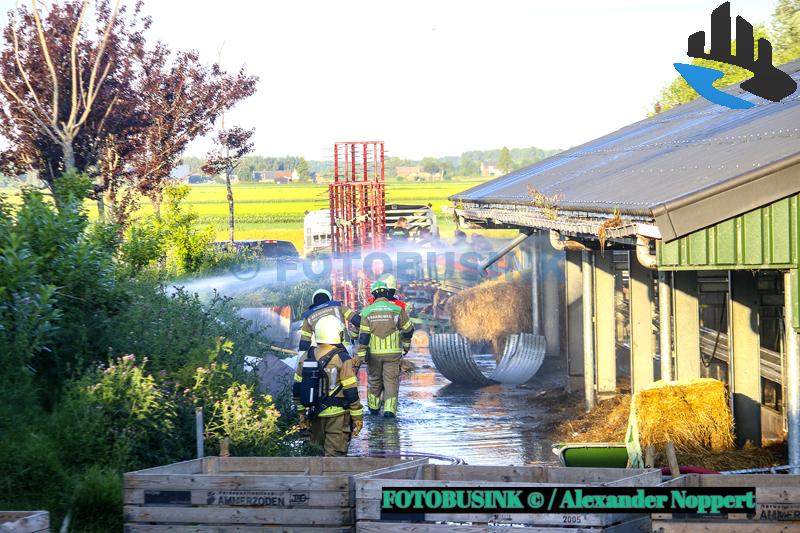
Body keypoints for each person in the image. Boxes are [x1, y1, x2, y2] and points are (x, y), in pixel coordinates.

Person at [292, 315, 363, 456]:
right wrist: (357, 417)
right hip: (338, 417)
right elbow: (351, 391)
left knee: (316, 456)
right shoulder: (342, 359)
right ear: (338, 334)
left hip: (313, 415)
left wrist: (301, 414)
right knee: (334, 459)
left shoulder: (306, 356)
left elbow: (297, 389)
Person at [355, 280, 414, 418]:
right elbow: (408, 330)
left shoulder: (367, 311)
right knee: (391, 381)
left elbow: (364, 336)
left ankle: (374, 408)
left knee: (374, 380)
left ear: (373, 295)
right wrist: (406, 346)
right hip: (393, 353)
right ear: (387, 293)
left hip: (374, 354)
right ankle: (389, 411)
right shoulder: (397, 310)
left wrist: (361, 355)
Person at [298, 289, 360, 357]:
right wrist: (354, 336)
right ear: (329, 298)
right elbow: (357, 321)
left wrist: (302, 359)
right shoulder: (337, 306)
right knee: (347, 366)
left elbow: (304, 343)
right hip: (345, 348)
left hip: (322, 353)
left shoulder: (308, 316)